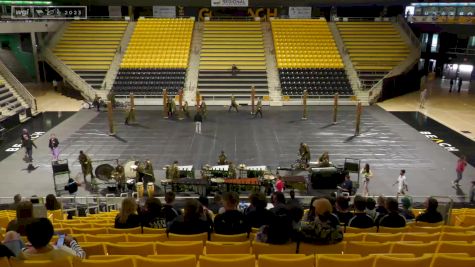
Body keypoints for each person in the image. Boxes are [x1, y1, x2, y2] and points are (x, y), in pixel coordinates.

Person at [18, 218, 85, 260]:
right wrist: (72, 242)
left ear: (28, 237)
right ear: (50, 235)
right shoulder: (62, 252)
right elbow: (81, 255)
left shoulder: (19, 256)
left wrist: (51, 246)